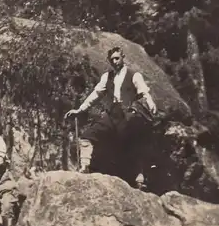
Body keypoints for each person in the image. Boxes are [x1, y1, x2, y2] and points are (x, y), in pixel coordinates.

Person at [64, 46, 158, 187]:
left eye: (117, 58)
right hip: (112, 113)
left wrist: (150, 102)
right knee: (88, 135)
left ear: (122, 57)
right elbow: (95, 94)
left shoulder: (134, 75)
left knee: (134, 144)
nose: (114, 61)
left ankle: (140, 177)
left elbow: (144, 92)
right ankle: (84, 167)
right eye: (112, 59)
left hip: (128, 114)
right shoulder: (107, 77)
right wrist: (80, 110)